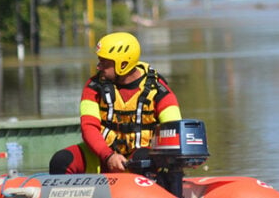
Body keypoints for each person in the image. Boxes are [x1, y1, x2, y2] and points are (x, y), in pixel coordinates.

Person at [48, 32, 182, 174]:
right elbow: (88, 128)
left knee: (143, 160)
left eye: (104, 62)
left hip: (141, 158)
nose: (99, 66)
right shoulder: (93, 86)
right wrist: (108, 156)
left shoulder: (160, 90)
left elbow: (174, 128)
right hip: (103, 156)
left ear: (123, 64)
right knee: (60, 160)